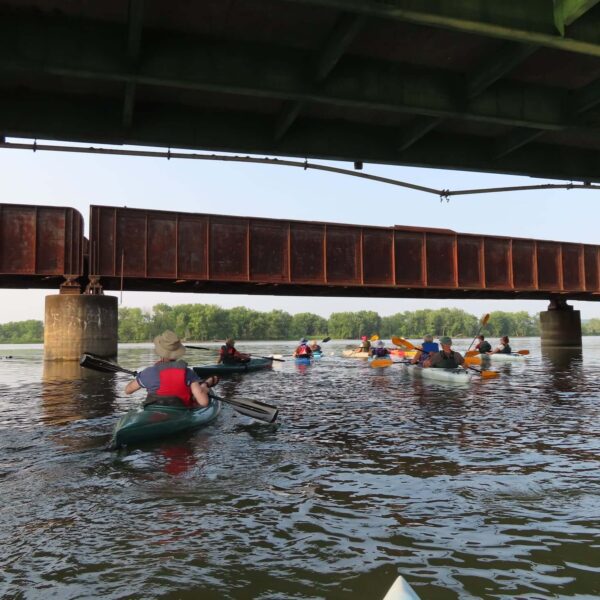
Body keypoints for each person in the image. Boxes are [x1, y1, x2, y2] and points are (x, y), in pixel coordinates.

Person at [124, 330, 218, 408]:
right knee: (200, 390)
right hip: (180, 411)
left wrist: (140, 377)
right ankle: (205, 385)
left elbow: (128, 390)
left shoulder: (148, 373)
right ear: (177, 353)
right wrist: (203, 390)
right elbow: (204, 402)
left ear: (160, 352)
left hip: (154, 412)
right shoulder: (188, 373)